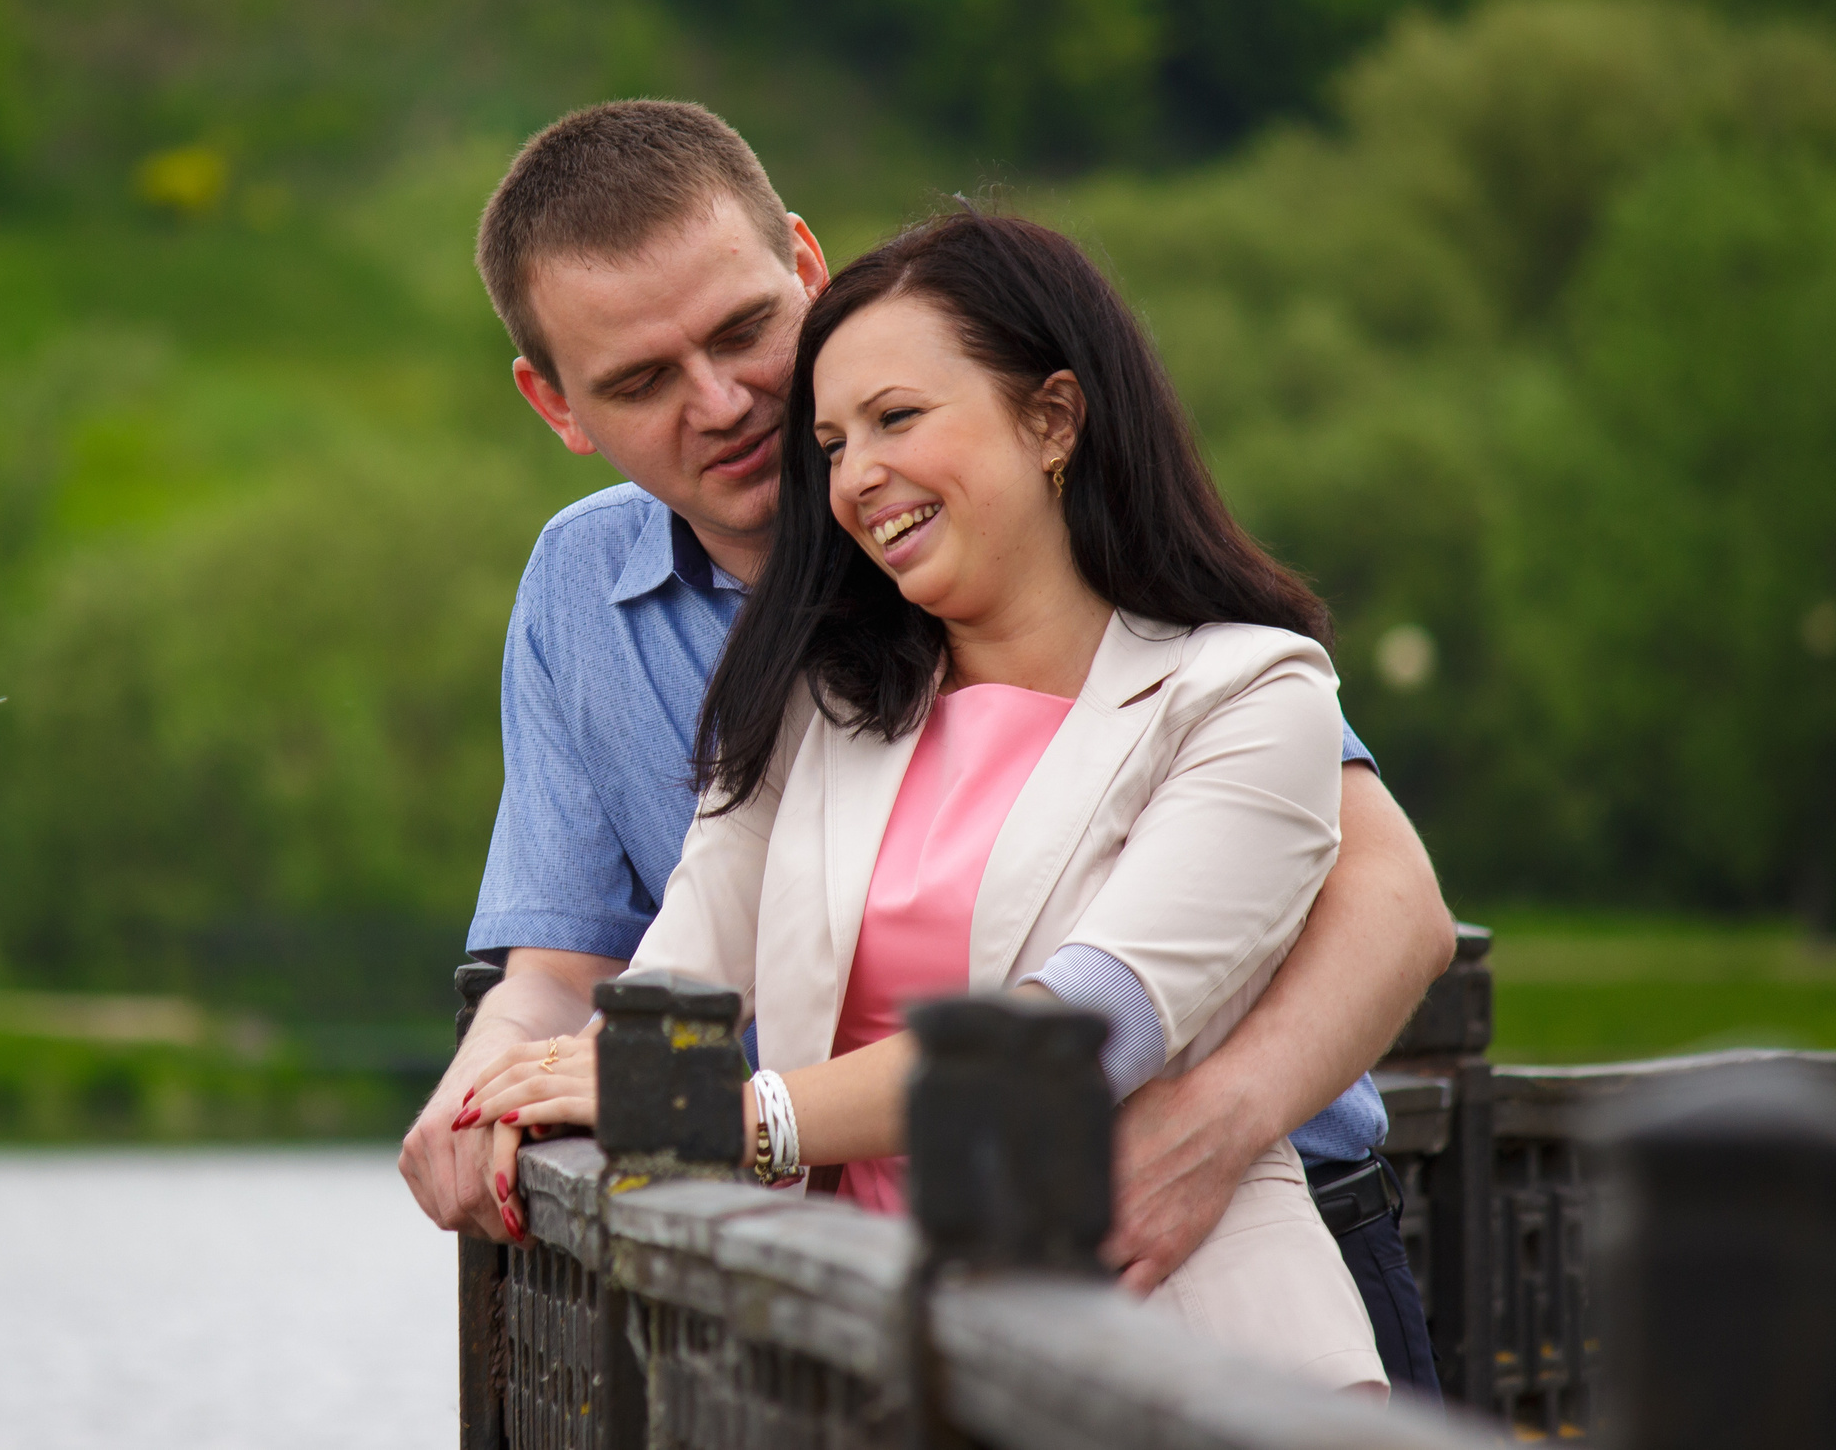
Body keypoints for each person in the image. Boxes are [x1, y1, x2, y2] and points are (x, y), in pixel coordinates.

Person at [395, 101, 1454, 1391]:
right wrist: (489, 1088)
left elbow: (1389, 902)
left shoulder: (1173, 645)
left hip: (1197, 1240)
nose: (725, 404)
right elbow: (588, 972)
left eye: (744, 332)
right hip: (866, 1299)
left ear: (805, 266)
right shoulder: (721, 651)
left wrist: (1217, 1125)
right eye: (640, 380)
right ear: (554, 404)